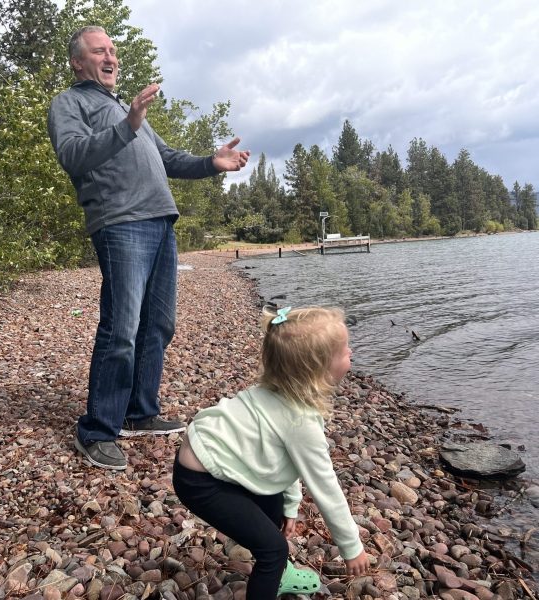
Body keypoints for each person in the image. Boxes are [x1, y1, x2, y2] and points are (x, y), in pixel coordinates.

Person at [47, 25, 250, 471]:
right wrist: (126, 125)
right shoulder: (71, 103)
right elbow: (73, 155)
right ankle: (98, 429)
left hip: (161, 224)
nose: (111, 56)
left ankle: (140, 412)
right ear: (78, 62)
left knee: (158, 324)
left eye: (113, 50)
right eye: (99, 50)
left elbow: (168, 157)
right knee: (121, 328)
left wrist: (211, 164)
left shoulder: (125, 107)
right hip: (121, 224)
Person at [173, 306, 370, 599]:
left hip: (212, 458)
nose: (350, 351)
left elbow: (279, 459)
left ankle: (281, 572)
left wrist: (290, 504)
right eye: (343, 350)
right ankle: (274, 575)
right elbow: (326, 486)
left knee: (272, 502)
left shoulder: (279, 393)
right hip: (200, 482)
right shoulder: (299, 421)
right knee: (273, 551)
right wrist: (351, 547)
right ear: (316, 371)